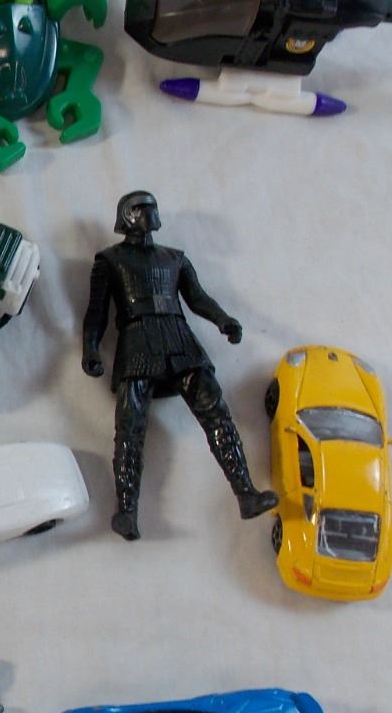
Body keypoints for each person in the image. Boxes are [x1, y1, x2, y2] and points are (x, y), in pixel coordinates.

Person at [81, 191, 277, 540]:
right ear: (128, 215)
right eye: (143, 208)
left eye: (151, 207)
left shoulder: (174, 258)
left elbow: (198, 298)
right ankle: (126, 511)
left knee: (217, 414)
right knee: (129, 428)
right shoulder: (110, 260)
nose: (150, 214)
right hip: (137, 342)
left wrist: (223, 320)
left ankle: (246, 493)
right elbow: (97, 313)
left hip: (179, 339)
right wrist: (91, 349)